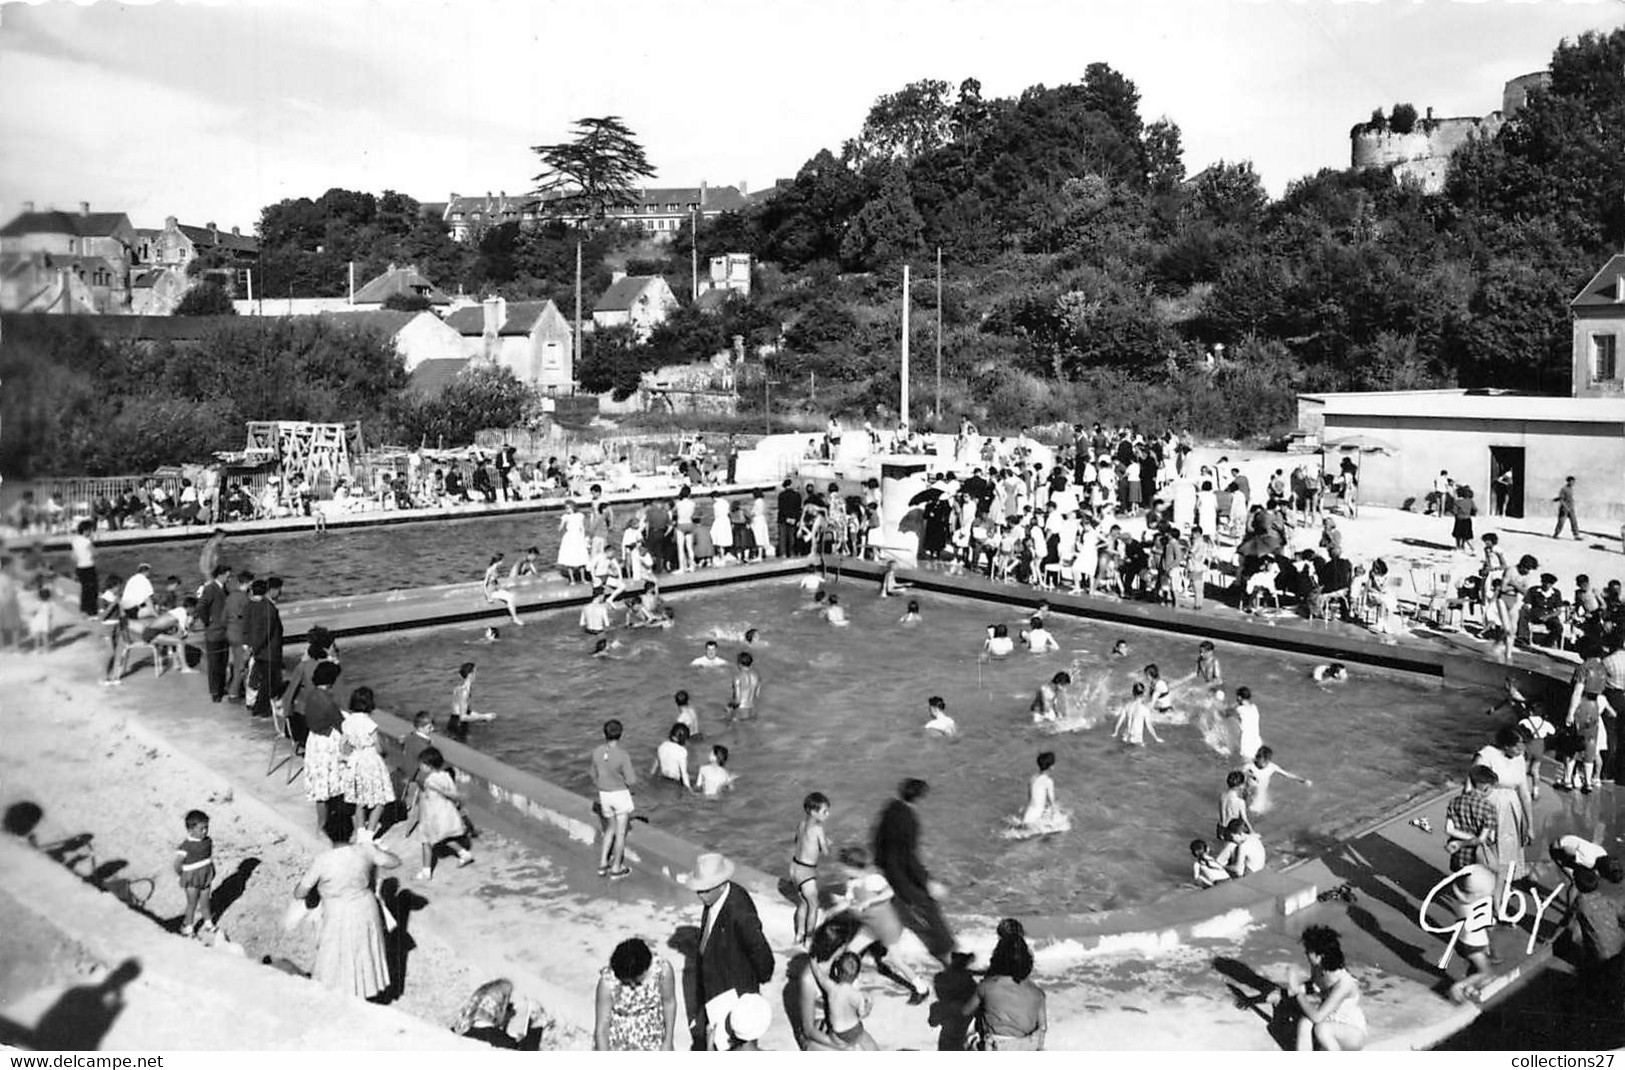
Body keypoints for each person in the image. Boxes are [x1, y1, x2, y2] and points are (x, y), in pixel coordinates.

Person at [288, 813, 398, 1001]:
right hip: (365, 906)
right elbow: (394, 862)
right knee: (363, 949)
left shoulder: (324, 860)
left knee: (336, 954)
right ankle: (366, 992)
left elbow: (300, 893)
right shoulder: (364, 851)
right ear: (352, 832)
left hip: (337, 912)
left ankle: (341, 997)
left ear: (328, 834)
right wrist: (376, 850)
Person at [687, 852, 775, 1049]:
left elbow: (759, 948)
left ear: (720, 886)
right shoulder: (714, 898)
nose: (700, 895)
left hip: (734, 990)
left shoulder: (740, 911)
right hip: (717, 986)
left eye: (704, 890)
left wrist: (762, 976)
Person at [873, 779, 955, 962]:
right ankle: (947, 955)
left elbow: (877, 841)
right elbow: (909, 857)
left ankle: (881, 946)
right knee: (928, 909)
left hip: (889, 872)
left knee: (902, 910)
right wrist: (928, 882)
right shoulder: (909, 820)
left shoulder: (890, 809)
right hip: (902, 876)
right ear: (919, 797)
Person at [962, 918, 1047, 1050]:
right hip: (1025, 1048)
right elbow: (1042, 1028)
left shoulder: (987, 986)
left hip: (995, 1047)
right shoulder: (1038, 994)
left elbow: (965, 1011)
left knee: (968, 1038)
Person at [1282, 926, 1366, 1051]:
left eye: (1309, 951)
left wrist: (1296, 992)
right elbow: (1314, 986)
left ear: (1320, 956)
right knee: (1305, 1023)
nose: (1306, 953)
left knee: (1322, 1029)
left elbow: (1317, 1017)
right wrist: (1289, 991)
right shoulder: (1317, 969)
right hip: (1330, 1020)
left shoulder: (1344, 983)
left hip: (1353, 1032)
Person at [1474, 725, 1534, 889]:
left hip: (1512, 809)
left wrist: (1530, 826)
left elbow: (1524, 793)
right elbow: (1472, 788)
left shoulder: (1520, 758)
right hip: (1489, 807)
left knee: (1509, 851)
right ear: (1506, 744)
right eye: (1517, 746)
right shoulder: (1487, 755)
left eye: (1523, 746)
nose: (1520, 750)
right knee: (1489, 851)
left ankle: (1503, 890)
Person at [594, 938, 677, 1050]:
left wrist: (668, 1041)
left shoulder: (662, 972)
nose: (633, 986)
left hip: (655, 1043)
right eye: (627, 982)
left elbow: (669, 1003)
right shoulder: (608, 983)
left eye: (638, 981)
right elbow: (602, 1028)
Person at [341, 687, 396, 835]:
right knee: (380, 799)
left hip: (355, 760)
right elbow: (377, 746)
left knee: (359, 798)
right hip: (370, 759)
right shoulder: (369, 723)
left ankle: (360, 831)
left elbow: (343, 744)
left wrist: (347, 757)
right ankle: (370, 833)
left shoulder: (347, 722)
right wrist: (385, 753)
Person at [414, 747, 473, 880]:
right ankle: (463, 853)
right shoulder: (446, 776)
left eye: (422, 765)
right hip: (447, 813)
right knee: (445, 839)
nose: (421, 767)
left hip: (433, 815)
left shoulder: (430, 781)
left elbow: (427, 797)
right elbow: (452, 793)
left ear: (428, 766)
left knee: (426, 841)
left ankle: (426, 871)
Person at [591, 719, 638, 879]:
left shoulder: (597, 751)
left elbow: (593, 774)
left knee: (609, 829)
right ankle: (617, 867)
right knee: (620, 832)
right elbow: (631, 780)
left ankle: (603, 863)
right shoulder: (623, 755)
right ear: (621, 735)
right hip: (619, 795)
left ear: (604, 734)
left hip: (604, 794)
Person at [808, 952, 876, 1050]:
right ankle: (853, 1046)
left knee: (823, 1026)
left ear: (836, 971)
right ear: (857, 976)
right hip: (855, 1032)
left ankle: (840, 1046)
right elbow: (862, 1014)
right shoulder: (857, 996)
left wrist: (812, 960)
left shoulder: (831, 988)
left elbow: (819, 976)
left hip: (837, 1035)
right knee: (863, 1038)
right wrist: (869, 1006)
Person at [790, 792, 831, 945]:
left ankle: (798, 934)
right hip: (806, 871)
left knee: (803, 903)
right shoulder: (818, 829)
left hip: (794, 868)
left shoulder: (800, 824)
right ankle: (809, 938)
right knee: (814, 905)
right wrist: (827, 842)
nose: (828, 814)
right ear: (814, 812)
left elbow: (798, 842)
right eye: (824, 811)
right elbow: (825, 852)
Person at [174, 809, 216, 938]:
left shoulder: (208, 841)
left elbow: (208, 857)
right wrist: (183, 875)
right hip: (192, 879)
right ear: (190, 829)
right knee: (192, 904)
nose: (205, 831)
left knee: (205, 902)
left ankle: (209, 924)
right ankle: (189, 928)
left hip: (205, 877)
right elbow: (177, 864)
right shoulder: (185, 846)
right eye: (201, 829)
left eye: (206, 828)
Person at [1245, 745, 1312, 813]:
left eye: (1265, 762)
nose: (1263, 764)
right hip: (1249, 793)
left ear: (1268, 760)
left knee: (1258, 809)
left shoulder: (1272, 767)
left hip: (1260, 794)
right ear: (1257, 758)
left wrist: (1302, 780)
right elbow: (1239, 774)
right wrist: (1249, 774)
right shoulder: (1250, 766)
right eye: (1261, 761)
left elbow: (1287, 775)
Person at [651, 723, 694, 793]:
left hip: (663, 778)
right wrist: (689, 790)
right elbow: (684, 773)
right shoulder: (682, 751)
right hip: (676, 782)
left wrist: (651, 779)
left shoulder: (662, 746)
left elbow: (654, 768)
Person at [1020, 751, 1060, 828]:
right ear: (1051, 767)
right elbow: (1052, 801)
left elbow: (1030, 798)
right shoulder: (1048, 781)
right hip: (1035, 817)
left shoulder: (1033, 778)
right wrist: (1055, 818)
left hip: (1028, 814)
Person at [482, 553, 523, 626]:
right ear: (498, 561)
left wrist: (500, 587)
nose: (502, 563)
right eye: (501, 561)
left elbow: (495, 581)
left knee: (511, 595)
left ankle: (514, 615)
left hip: (496, 590)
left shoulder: (495, 569)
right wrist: (488, 597)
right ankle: (515, 617)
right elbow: (485, 584)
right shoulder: (490, 570)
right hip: (492, 593)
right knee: (510, 598)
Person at [557, 500, 590, 583]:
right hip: (569, 538)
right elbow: (560, 528)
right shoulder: (565, 517)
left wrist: (584, 538)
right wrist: (561, 523)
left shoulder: (580, 515)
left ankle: (583, 578)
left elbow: (582, 527)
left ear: (573, 507)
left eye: (568, 508)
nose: (567, 510)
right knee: (569, 559)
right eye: (566, 508)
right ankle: (572, 579)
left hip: (578, 537)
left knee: (581, 558)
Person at [70, 519, 97, 618]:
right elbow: (95, 553)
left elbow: (73, 556)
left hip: (80, 567)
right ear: (86, 530)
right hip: (89, 566)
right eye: (90, 530)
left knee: (84, 589)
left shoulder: (75, 541)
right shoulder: (87, 541)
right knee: (92, 589)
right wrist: (92, 541)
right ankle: (92, 611)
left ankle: (83, 609)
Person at [1229, 686, 1263, 760]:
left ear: (1239, 697)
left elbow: (1225, 714)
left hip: (1246, 742)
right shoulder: (1254, 707)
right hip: (1257, 741)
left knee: (1246, 764)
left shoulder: (1239, 709)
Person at [1218, 770, 1252, 840]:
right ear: (1241, 785)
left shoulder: (1222, 795)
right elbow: (1244, 819)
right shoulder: (1240, 802)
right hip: (1233, 829)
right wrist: (1252, 831)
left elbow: (1223, 812)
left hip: (1221, 828)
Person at [728, 651, 760, 721]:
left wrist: (729, 705)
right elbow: (757, 695)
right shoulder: (756, 676)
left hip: (740, 712)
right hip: (752, 710)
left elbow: (738, 700)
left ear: (739, 664)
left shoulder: (737, 677)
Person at [1554, 474, 1581, 540]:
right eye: (1572, 481)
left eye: (1574, 482)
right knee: (1561, 522)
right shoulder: (1563, 489)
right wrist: (1565, 507)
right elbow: (1561, 499)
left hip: (1571, 508)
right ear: (1568, 481)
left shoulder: (1571, 489)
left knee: (1574, 521)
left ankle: (1576, 535)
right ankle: (1556, 534)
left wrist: (1571, 507)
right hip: (1564, 508)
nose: (1573, 483)